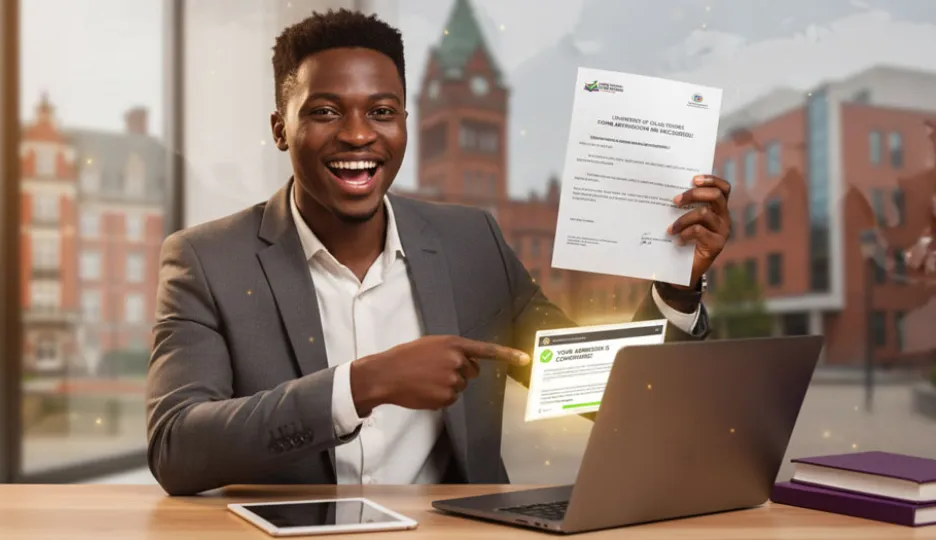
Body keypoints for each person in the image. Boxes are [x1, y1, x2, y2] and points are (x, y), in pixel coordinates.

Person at [146, 9, 732, 496]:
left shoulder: (473, 243)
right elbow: (177, 447)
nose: (357, 134)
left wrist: (678, 287)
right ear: (281, 128)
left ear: (405, 121)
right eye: (325, 111)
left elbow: (606, 396)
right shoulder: (207, 260)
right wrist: (363, 384)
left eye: (381, 111)